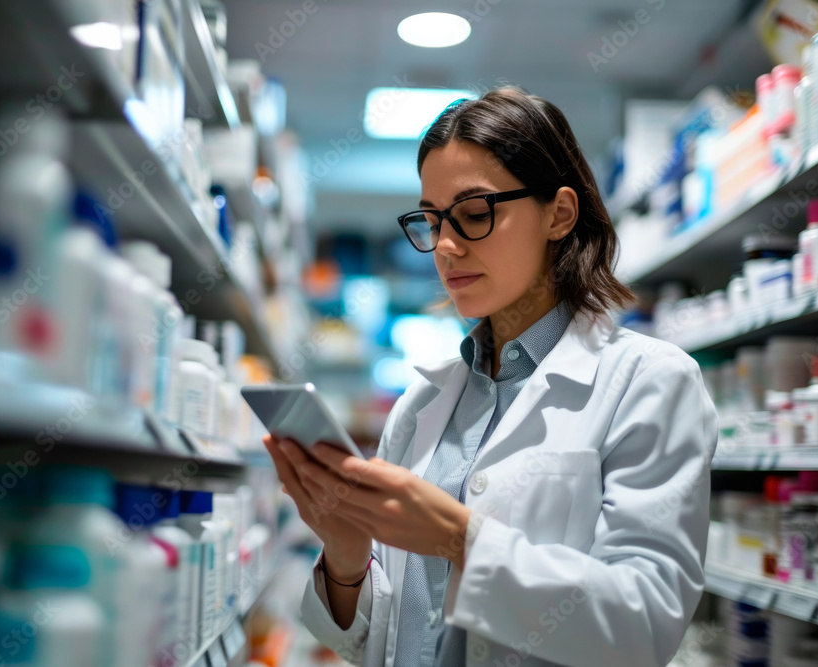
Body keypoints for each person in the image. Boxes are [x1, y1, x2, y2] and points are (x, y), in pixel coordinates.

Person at [264, 86, 718, 666]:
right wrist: (347, 554)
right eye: (431, 221)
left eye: (475, 214)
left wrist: (460, 539)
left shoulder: (651, 382)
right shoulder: (424, 401)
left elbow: (644, 625)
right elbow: (392, 637)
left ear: (559, 214)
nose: (446, 247)